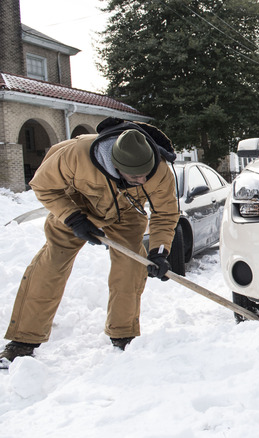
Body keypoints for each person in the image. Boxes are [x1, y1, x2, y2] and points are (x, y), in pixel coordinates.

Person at [0, 118, 179, 369]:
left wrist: (159, 252)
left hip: (127, 212)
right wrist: (73, 219)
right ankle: (23, 340)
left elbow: (165, 213)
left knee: (130, 266)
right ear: (116, 166)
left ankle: (123, 333)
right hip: (76, 206)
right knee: (51, 264)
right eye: (135, 176)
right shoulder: (76, 154)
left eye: (145, 175)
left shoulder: (159, 171)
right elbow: (42, 185)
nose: (142, 180)